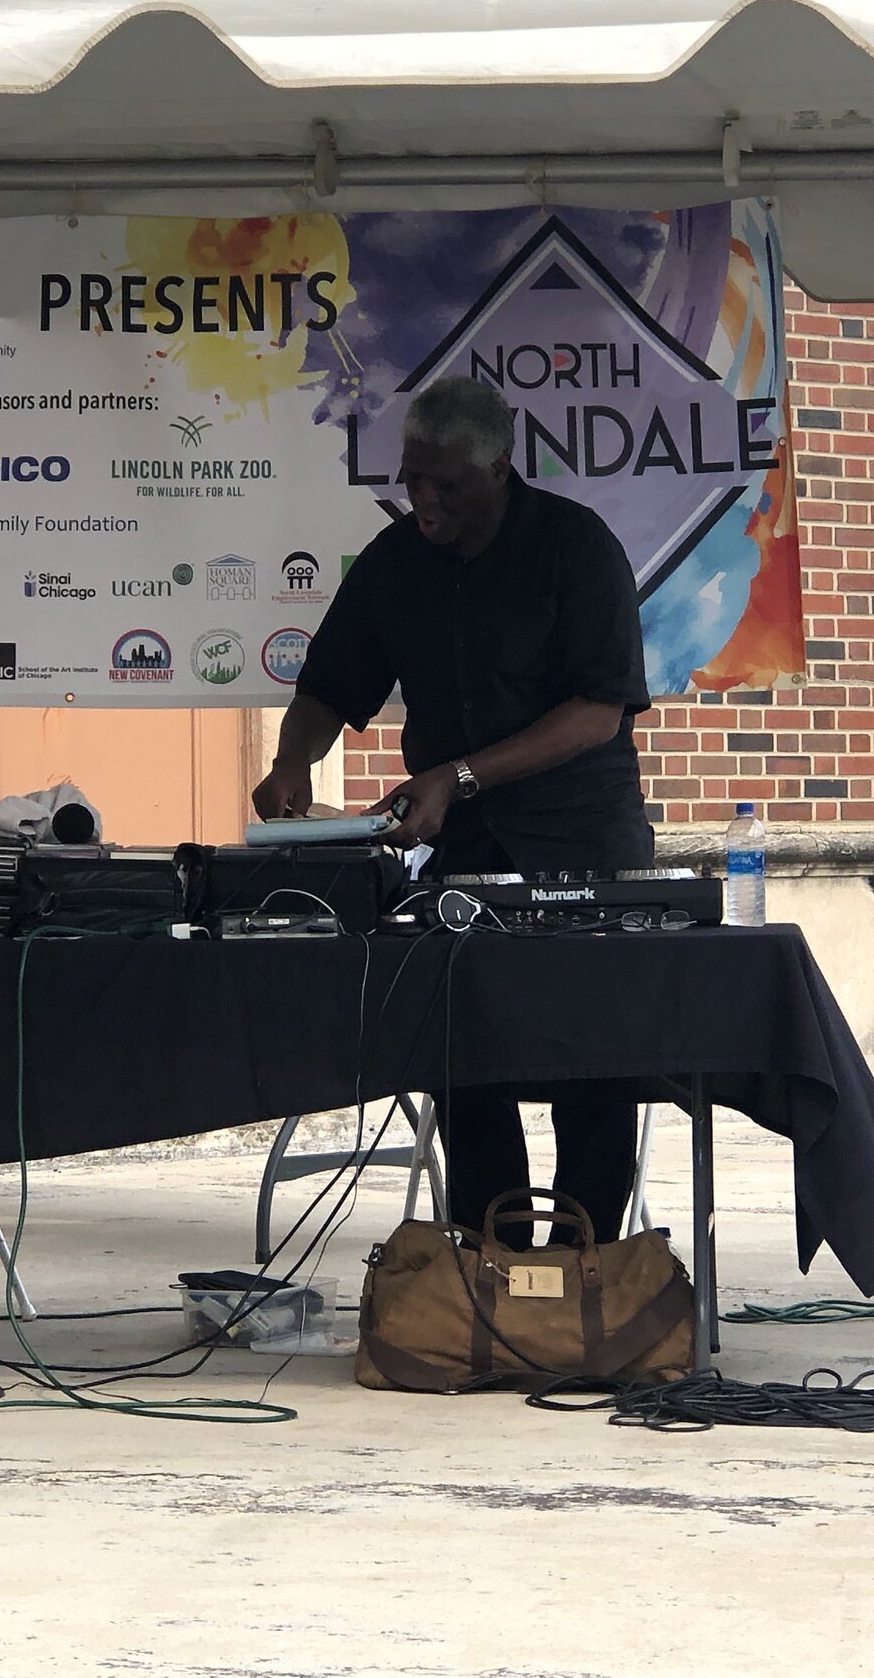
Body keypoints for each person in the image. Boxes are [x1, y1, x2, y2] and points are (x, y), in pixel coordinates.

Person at [252, 373, 653, 1244]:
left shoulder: (576, 548)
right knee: (465, 1051)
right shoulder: (397, 563)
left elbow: (598, 711)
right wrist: (291, 761)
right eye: (413, 478)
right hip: (462, 849)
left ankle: (585, 1263)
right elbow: (328, 686)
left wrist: (456, 776)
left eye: (447, 484)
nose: (424, 498)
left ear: (500, 469)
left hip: (581, 840)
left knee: (593, 1058)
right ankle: (491, 1259)